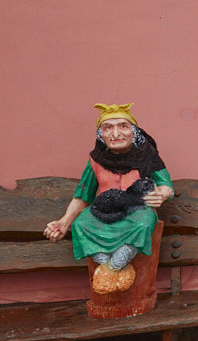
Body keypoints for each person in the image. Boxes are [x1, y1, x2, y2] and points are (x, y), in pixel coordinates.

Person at [44, 103, 174, 293]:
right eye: (108, 128)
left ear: (134, 132)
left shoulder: (148, 156)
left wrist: (160, 195)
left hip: (135, 211)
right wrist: (64, 223)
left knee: (144, 222)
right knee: (80, 225)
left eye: (123, 126)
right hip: (101, 212)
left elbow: (166, 186)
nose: (116, 133)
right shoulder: (96, 161)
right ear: (101, 135)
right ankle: (111, 268)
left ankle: (112, 269)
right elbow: (83, 195)